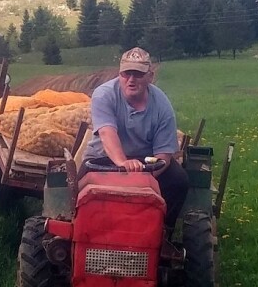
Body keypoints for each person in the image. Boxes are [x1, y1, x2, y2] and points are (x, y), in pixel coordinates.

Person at [81, 47, 189, 230]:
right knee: (76, 188)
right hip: (105, 157)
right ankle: (80, 231)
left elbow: (163, 155)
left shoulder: (162, 105)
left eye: (138, 74)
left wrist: (141, 180)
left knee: (179, 181)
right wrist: (123, 164)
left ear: (150, 77)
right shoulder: (104, 95)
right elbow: (107, 133)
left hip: (146, 162)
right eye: (126, 73)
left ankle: (162, 232)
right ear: (119, 73)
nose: (131, 79)